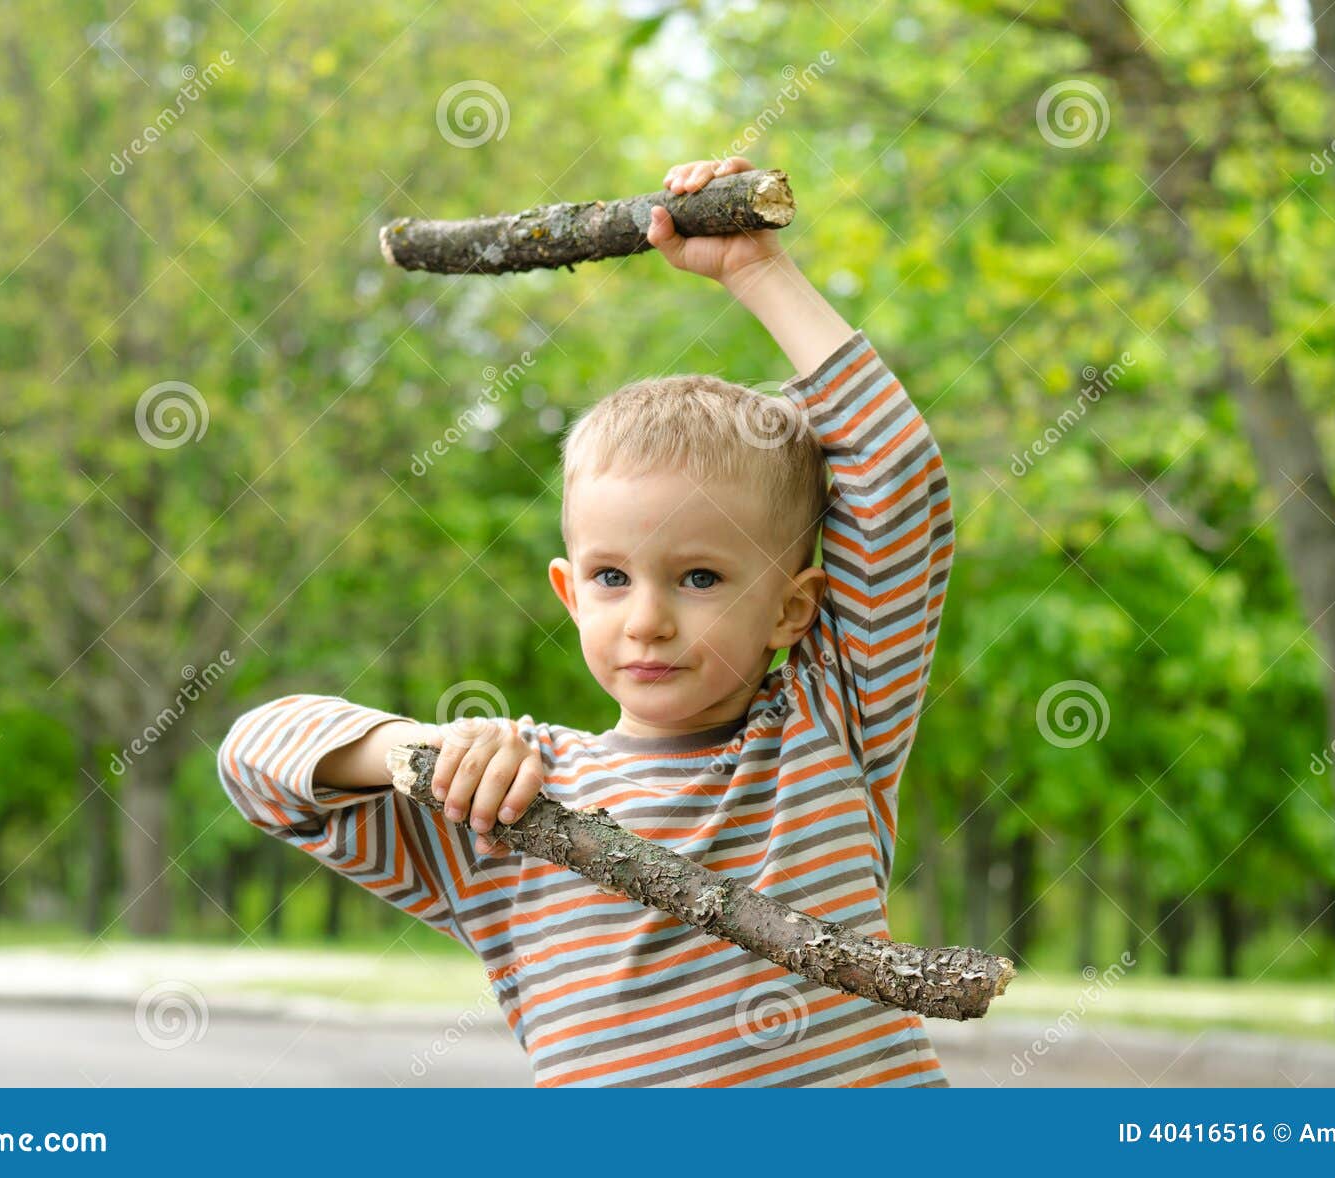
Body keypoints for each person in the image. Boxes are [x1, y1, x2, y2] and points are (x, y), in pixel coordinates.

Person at [217, 156, 956, 1086]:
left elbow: (898, 476)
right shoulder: (509, 799)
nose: (646, 621)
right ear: (570, 593)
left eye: (698, 576)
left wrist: (759, 273)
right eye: (612, 577)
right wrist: (423, 751)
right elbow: (257, 763)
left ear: (790, 608)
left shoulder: (831, 720)